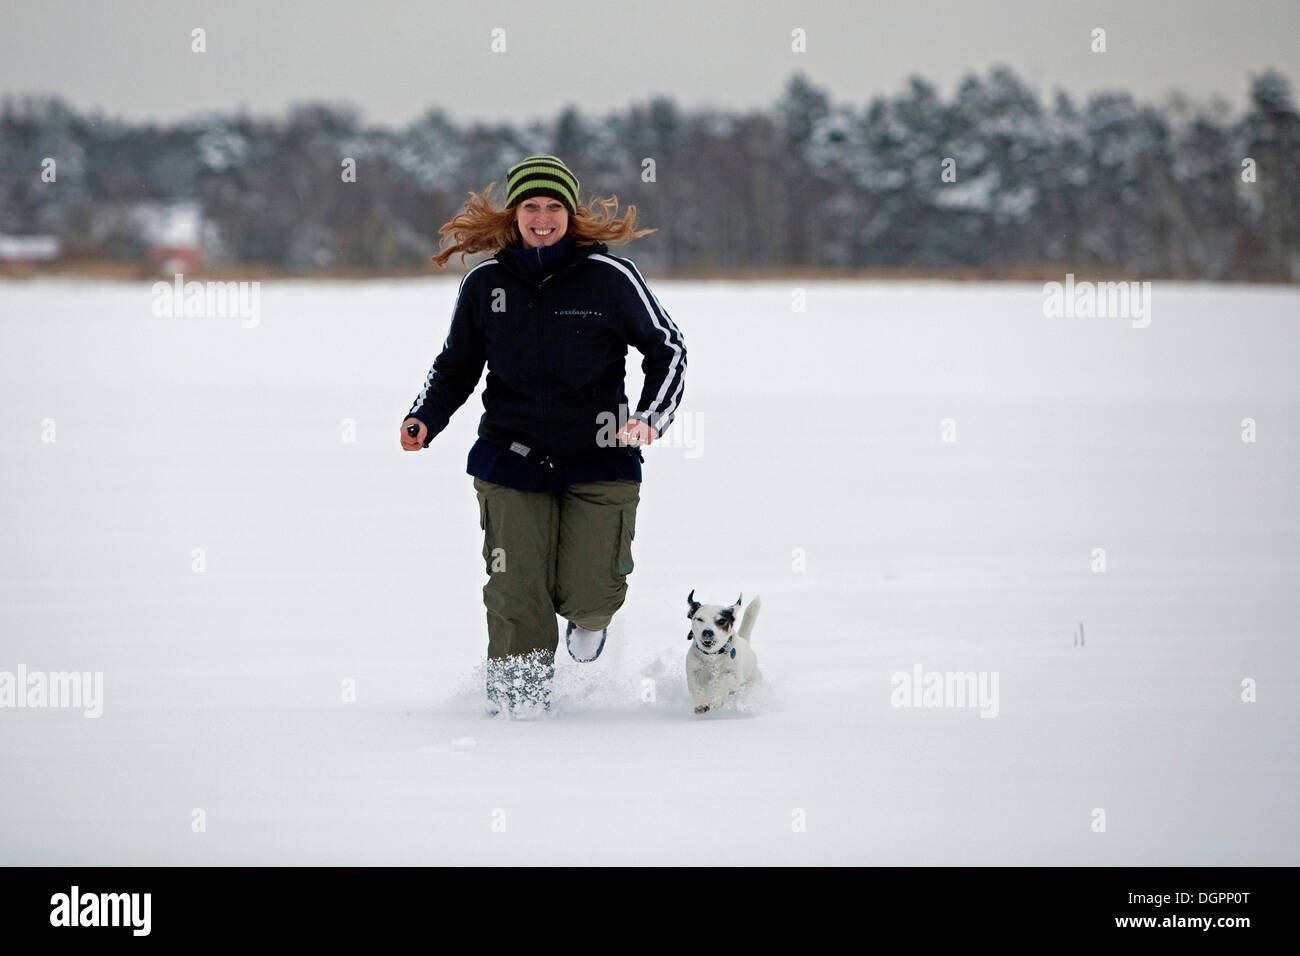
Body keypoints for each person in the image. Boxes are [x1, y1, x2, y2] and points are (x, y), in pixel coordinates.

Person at [400, 155, 686, 718]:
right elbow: (457, 363)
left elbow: (667, 349)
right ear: (514, 214)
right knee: (516, 590)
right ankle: (518, 703)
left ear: (570, 214)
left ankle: (588, 618)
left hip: (602, 456)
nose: (542, 216)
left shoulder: (610, 277)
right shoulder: (486, 284)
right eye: (531, 205)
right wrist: (425, 417)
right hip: (511, 458)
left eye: (554, 206)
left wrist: (651, 416)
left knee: (591, 590)